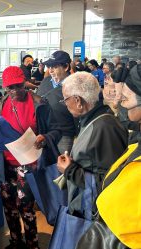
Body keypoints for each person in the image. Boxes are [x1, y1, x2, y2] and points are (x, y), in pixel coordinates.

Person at [76, 64, 141, 249]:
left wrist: (72, 171)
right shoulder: (135, 141)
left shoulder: (105, 127)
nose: (119, 100)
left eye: (125, 97)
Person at [56, 72, 127, 219]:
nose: (64, 103)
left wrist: (70, 170)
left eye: (65, 99)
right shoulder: (93, 120)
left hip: (94, 214)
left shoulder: (105, 128)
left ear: (78, 100)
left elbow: (113, 182)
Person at [0, 66, 42, 249]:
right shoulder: (0, 104)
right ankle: (15, 241)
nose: (14, 91)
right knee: (9, 206)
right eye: (10, 87)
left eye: (18, 86)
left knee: (26, 205)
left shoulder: (38, 103)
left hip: (28, 161)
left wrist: (45, 138)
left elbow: (53, 131)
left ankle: (32, 244)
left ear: (25, 84)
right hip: (5, 162)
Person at [36, 50, 77, 154]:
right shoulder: (46, 81)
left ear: (66, 67)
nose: (50, 71)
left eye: (54, 67)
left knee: (60, 166)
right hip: (44, 133)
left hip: (64, 135)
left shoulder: (75, 86)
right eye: (49, 67)